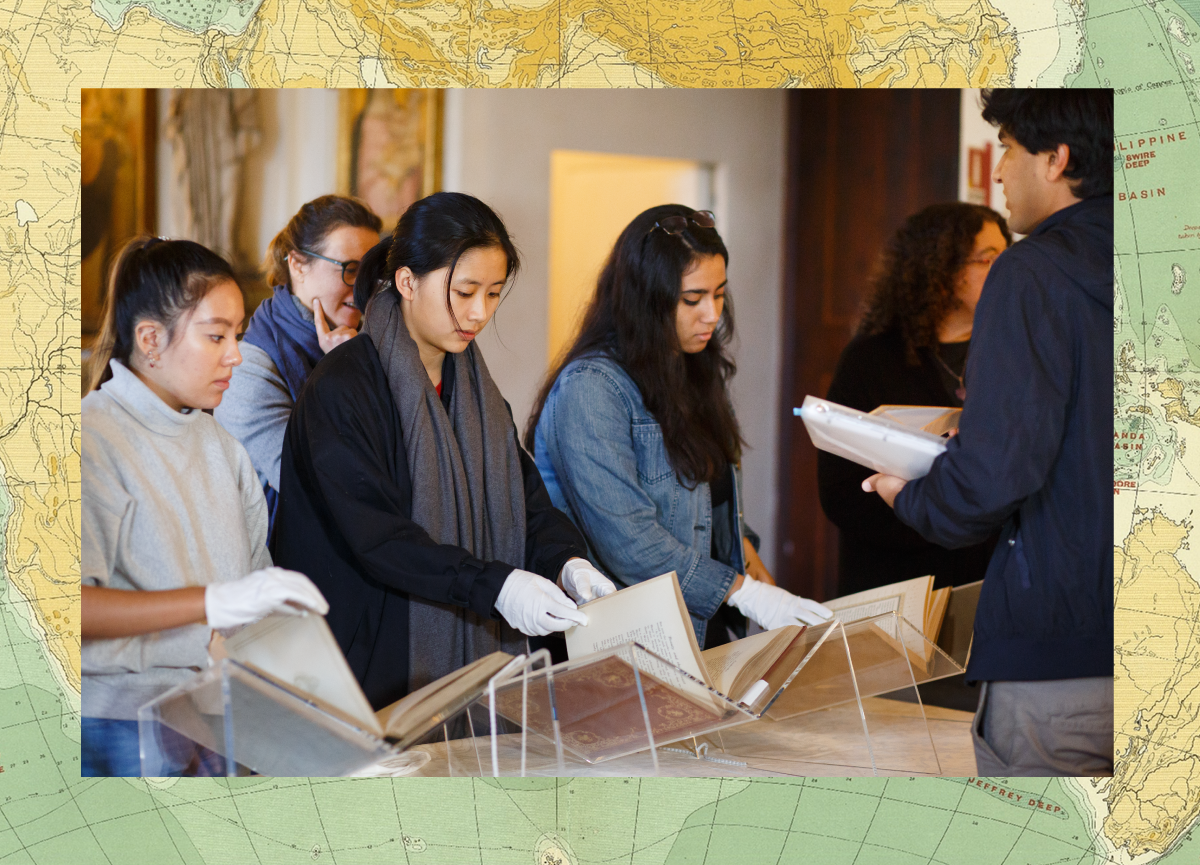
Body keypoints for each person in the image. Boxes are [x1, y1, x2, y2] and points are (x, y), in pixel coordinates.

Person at [272, 192, 615, 710]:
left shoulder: (476, 391)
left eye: (494, 293)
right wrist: (494, 587)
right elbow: (379, 537)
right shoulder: (343, 387)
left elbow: (527, 504)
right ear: (407, 282)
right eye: (464, 291)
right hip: (367, 668)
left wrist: (567, 562)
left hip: (458, 664)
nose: (479, 313)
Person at [862, 89, 1114, 775]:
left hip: (1059, 654)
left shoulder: (1032, 274)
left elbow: (997, 470)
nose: (998, 170)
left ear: (1055, 159)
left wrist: (911, 495)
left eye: (1006, 148)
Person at [526, 204, 831, 650]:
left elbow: (719, 514)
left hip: (700, 624)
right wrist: (748, 594)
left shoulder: (692, 368)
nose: (712, 314)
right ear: (644, 299)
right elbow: (631, 545)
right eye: (693, 299)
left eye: (720, 294)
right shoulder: (591, 389)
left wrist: (772, 597)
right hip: (625, 645)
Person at [82, 237, 329, 776]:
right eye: (216, 336)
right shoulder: (92, 437)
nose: (235, 354)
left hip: (211, 716)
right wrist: (211, 603)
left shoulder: (222, 448)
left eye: (236, 335)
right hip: (116, 726)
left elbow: (254, 593)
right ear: (151, 339)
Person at [818, 203, 1011, 598]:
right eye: (987, 259)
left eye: (1007, 255)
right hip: (895, 586)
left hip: (991, 580)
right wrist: (939, 518)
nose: (1003, 269)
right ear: (940, 270)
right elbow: (840, 492)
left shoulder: (1013, 352)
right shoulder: (871, 359)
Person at [215, 195, 383, 535]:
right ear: (297, 265)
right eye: (351, 270)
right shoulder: (248, 369)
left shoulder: (368, 342)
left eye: (372, 272)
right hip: (277, 566)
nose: (364, 289)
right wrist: (345, 371)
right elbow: (319, 486)